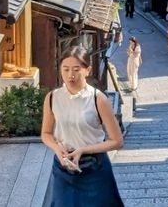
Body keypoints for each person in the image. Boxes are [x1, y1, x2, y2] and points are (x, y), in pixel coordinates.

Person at [41, 45, 124, 206]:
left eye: (76, 69)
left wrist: (83, 150)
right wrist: (58, 149)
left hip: (94, 165)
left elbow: (117, 141)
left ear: (87, 70)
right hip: (64, 166)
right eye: (65, 69)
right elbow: (46, 133)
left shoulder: (97, 98)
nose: (70, 75)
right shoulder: (52, 98)